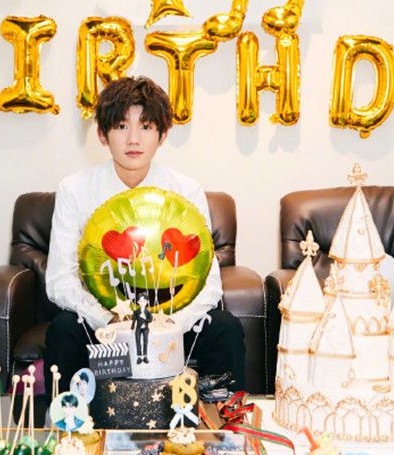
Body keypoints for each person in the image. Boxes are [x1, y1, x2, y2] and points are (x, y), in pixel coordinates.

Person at [44, 76, 245, 394]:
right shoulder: (75, 189)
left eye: (147, 126)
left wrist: (169, 326)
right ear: (102, 134)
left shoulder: (185, 191)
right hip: (104, 327)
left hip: (173, 323)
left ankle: (224, 419)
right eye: (121, 126)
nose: (133, 139)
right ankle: (72, 422)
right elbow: (60, 280)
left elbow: (209, 284)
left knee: (225, 327)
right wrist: (108, 320)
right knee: (63, 328)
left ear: (162, 135)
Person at [131, 293, 153, 363]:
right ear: (138, 302)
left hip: (145, 329)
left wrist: (145, 318)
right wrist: (132, 328)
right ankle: (139, 357)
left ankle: (145, 356)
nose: (142, 303)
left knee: (145, 341)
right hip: (138, 328)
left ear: (147, 302)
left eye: (144, 301)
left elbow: (150, 320)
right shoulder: (136, 312)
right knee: (138, 341)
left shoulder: (148, 312)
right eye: (140, 301)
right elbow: (134, 320)